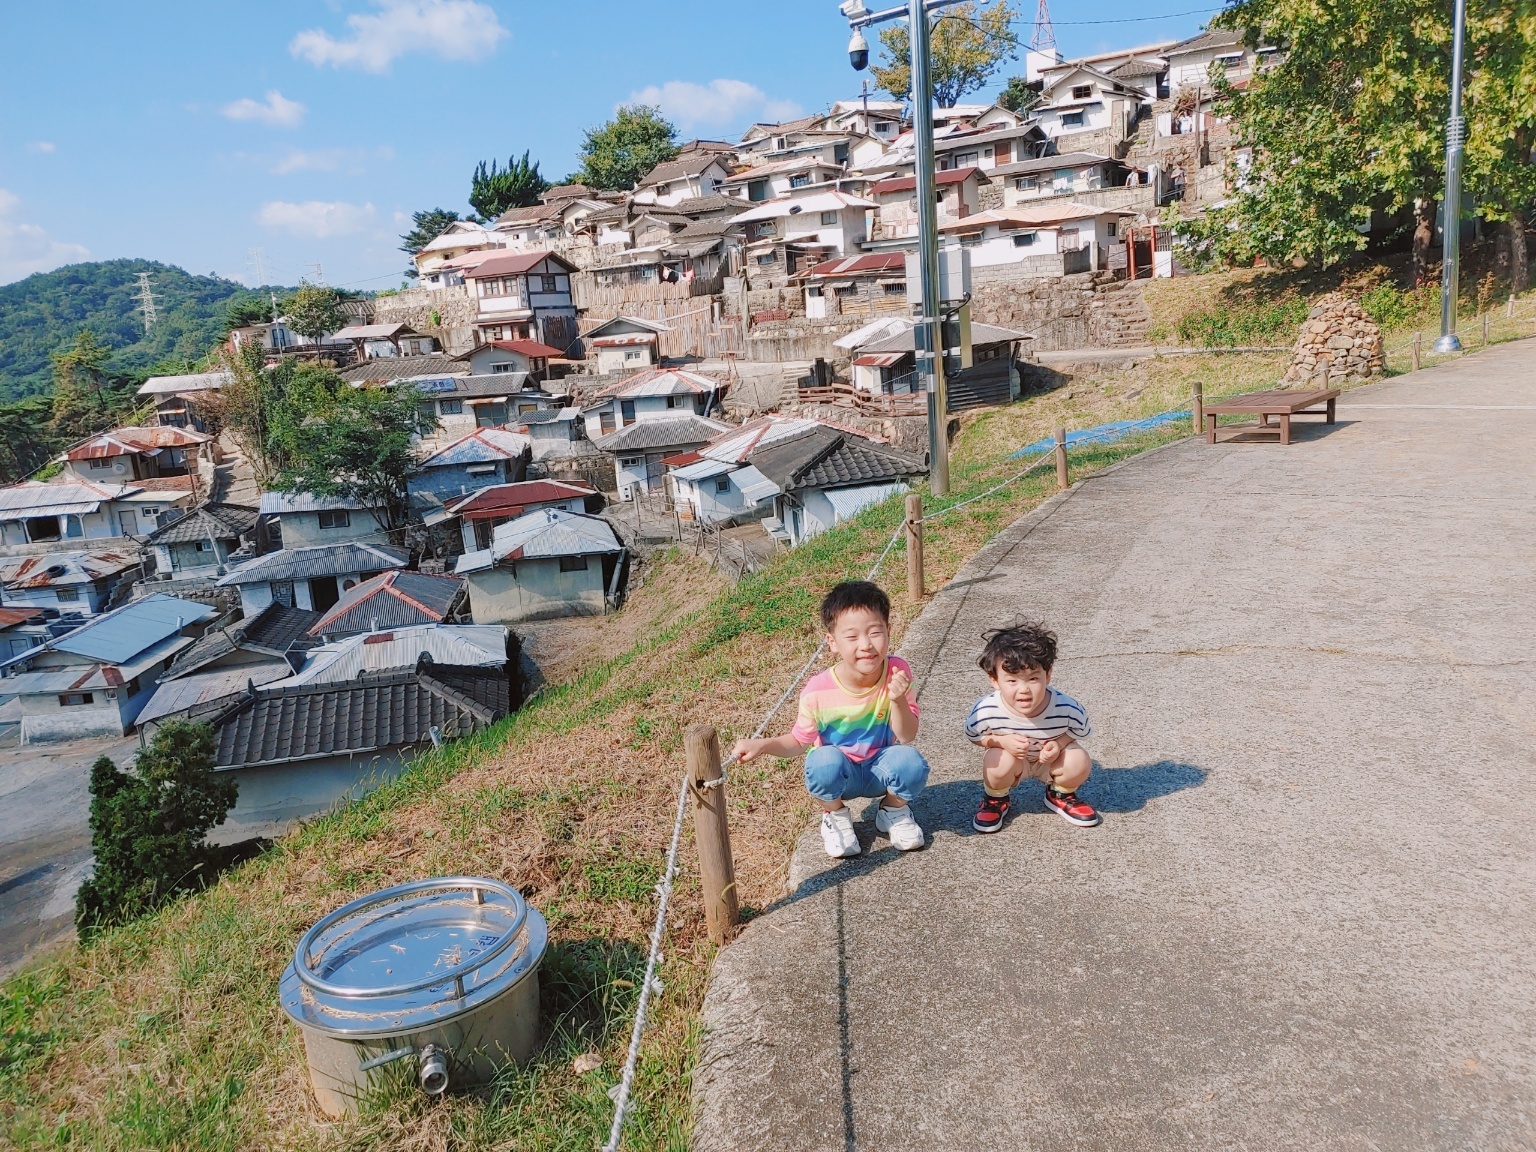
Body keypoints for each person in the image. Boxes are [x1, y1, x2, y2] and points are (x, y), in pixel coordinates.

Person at [731, 580, 929, 858]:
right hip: (841, 774)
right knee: (822, 761)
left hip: (878, 768)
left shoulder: (897, 671)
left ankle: (892, 810)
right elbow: (799, 741)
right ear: (832, 642)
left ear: (889, 631)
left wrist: (897, 699)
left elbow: (907, 735)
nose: (866, 645)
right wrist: (762, 745)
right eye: (852, 637)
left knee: (911, 763)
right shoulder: (817, 690)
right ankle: (835, 815)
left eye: (875, 632)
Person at [966, 621, 1101, 833]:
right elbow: (974, 736)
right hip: (1014, 762)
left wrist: (1058, 744)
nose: (1024, 690)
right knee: (996, 760)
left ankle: (1061, 794)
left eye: (1033, 678)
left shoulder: (1067, 707)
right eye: (1012, 681)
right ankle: (995, 798)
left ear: (1048, 675)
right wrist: (1001, 742)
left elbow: (1078, 732)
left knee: (1079, 759)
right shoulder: (986, 710)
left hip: (1051, 761)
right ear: (994, 680)